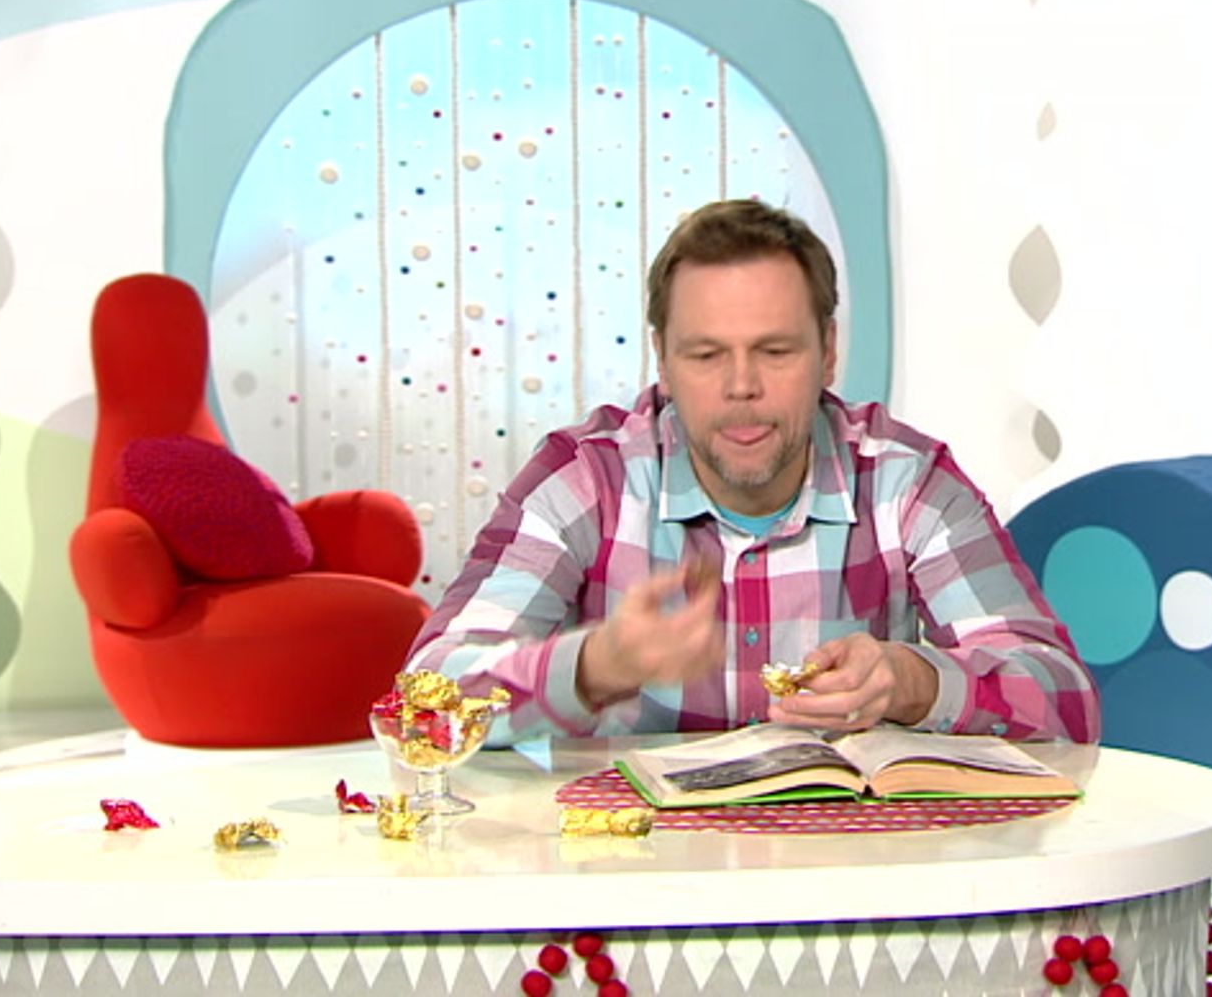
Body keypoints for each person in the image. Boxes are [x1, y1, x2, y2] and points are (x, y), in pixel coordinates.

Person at [407, 199, 1099, 745]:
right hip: (632, 869)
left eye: (775, 351)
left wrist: (912, 680)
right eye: (706, 355)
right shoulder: (583, 479)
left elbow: (1066, 703)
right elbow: (422, 705)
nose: (741, 386)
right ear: (662, 359)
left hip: (847, 868)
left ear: (828, 352)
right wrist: (593, 667)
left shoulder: (906, 481)